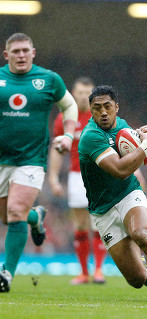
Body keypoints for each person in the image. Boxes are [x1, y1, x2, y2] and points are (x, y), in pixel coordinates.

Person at [78, 85, 147, 303]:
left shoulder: (123, 127)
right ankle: (144, 270)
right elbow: (119, 169)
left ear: (116, 107)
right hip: (103, 209)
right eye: (97, 108)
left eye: (108, 107)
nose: (103, 112)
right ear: (91, 110)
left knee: (141, 233)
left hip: (128, 193)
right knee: (136, 280)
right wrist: (146, 145)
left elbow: (131, 162)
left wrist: (141, 144)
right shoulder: (90, 137)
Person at [0, 33, 78, 292]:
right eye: (16, 51)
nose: (21, 55)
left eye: (25, 50)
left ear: (33, 52)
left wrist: (67, 135)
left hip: (31, 159)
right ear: (6, 55)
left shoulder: (48, 79)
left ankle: (6, 275)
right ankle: (36, 217)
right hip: (2, 160)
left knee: (14, 212)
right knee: (8, 217)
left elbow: (69, 106)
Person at [48, 77, 108, 285]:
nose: (83, 96)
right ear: (73, 93)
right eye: (80, 92)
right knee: (81, 225)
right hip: (76, 176)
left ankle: (99, 270)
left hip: (100, 174)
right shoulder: (65, 117)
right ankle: (84, 272)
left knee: (98, 224)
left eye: (87, 92)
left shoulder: (101, 115)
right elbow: (56, 149)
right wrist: (54, 178)